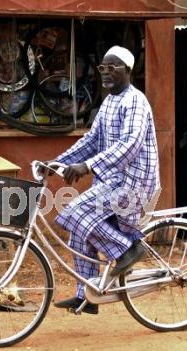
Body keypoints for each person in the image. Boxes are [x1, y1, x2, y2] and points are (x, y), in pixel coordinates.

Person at [46, 45, 160, 314]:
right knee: (79, 229)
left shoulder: (135, 101)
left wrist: (87, 166)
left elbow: (129, 145)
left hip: (134, 184)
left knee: (74, 213)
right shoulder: (109, 101)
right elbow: (92, 140)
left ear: (128, 71)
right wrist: (57, 162)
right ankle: (86, 296)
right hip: (111, 183)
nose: (106, 74)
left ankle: (126, 250)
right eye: (103, 68)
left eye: (113, 68)